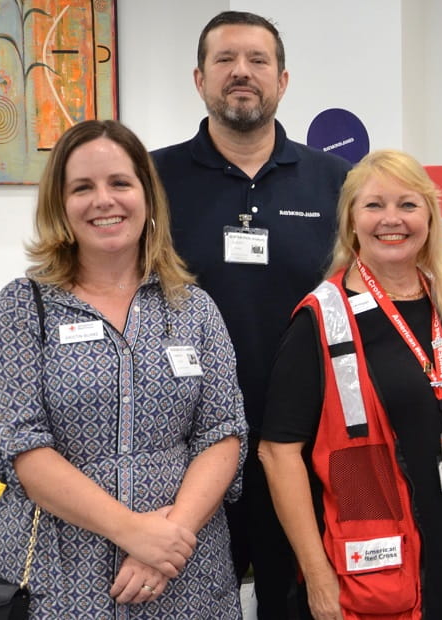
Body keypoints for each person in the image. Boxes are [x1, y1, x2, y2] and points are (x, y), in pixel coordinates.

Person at [0, 119, 247, 617]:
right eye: (83, 187)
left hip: (184, 571)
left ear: (147, 197)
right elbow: (23, 449)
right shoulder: (23, 309)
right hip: (58, 578)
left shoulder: (194, 309)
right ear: (60, 205)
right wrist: (133, 532)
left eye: (120, 183)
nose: (104, 200)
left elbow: (223, 434)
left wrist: (165, 548)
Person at [150, 11, 351, 616]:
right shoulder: (152, 180)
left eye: (258, 61)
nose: (242, 72)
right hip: (186, 453)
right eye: (225, 60)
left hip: (305, 447)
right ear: (199, 78)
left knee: (298, 602)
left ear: (283, 80)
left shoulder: (335, 181)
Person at [258, 150, 442, 620]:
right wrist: (317, 572)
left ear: (430, 216)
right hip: (372, 565)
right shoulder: (323, 316)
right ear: (351, 220)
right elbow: (278, 451)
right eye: (374, 205)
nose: (392, 219)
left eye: (408, 205)